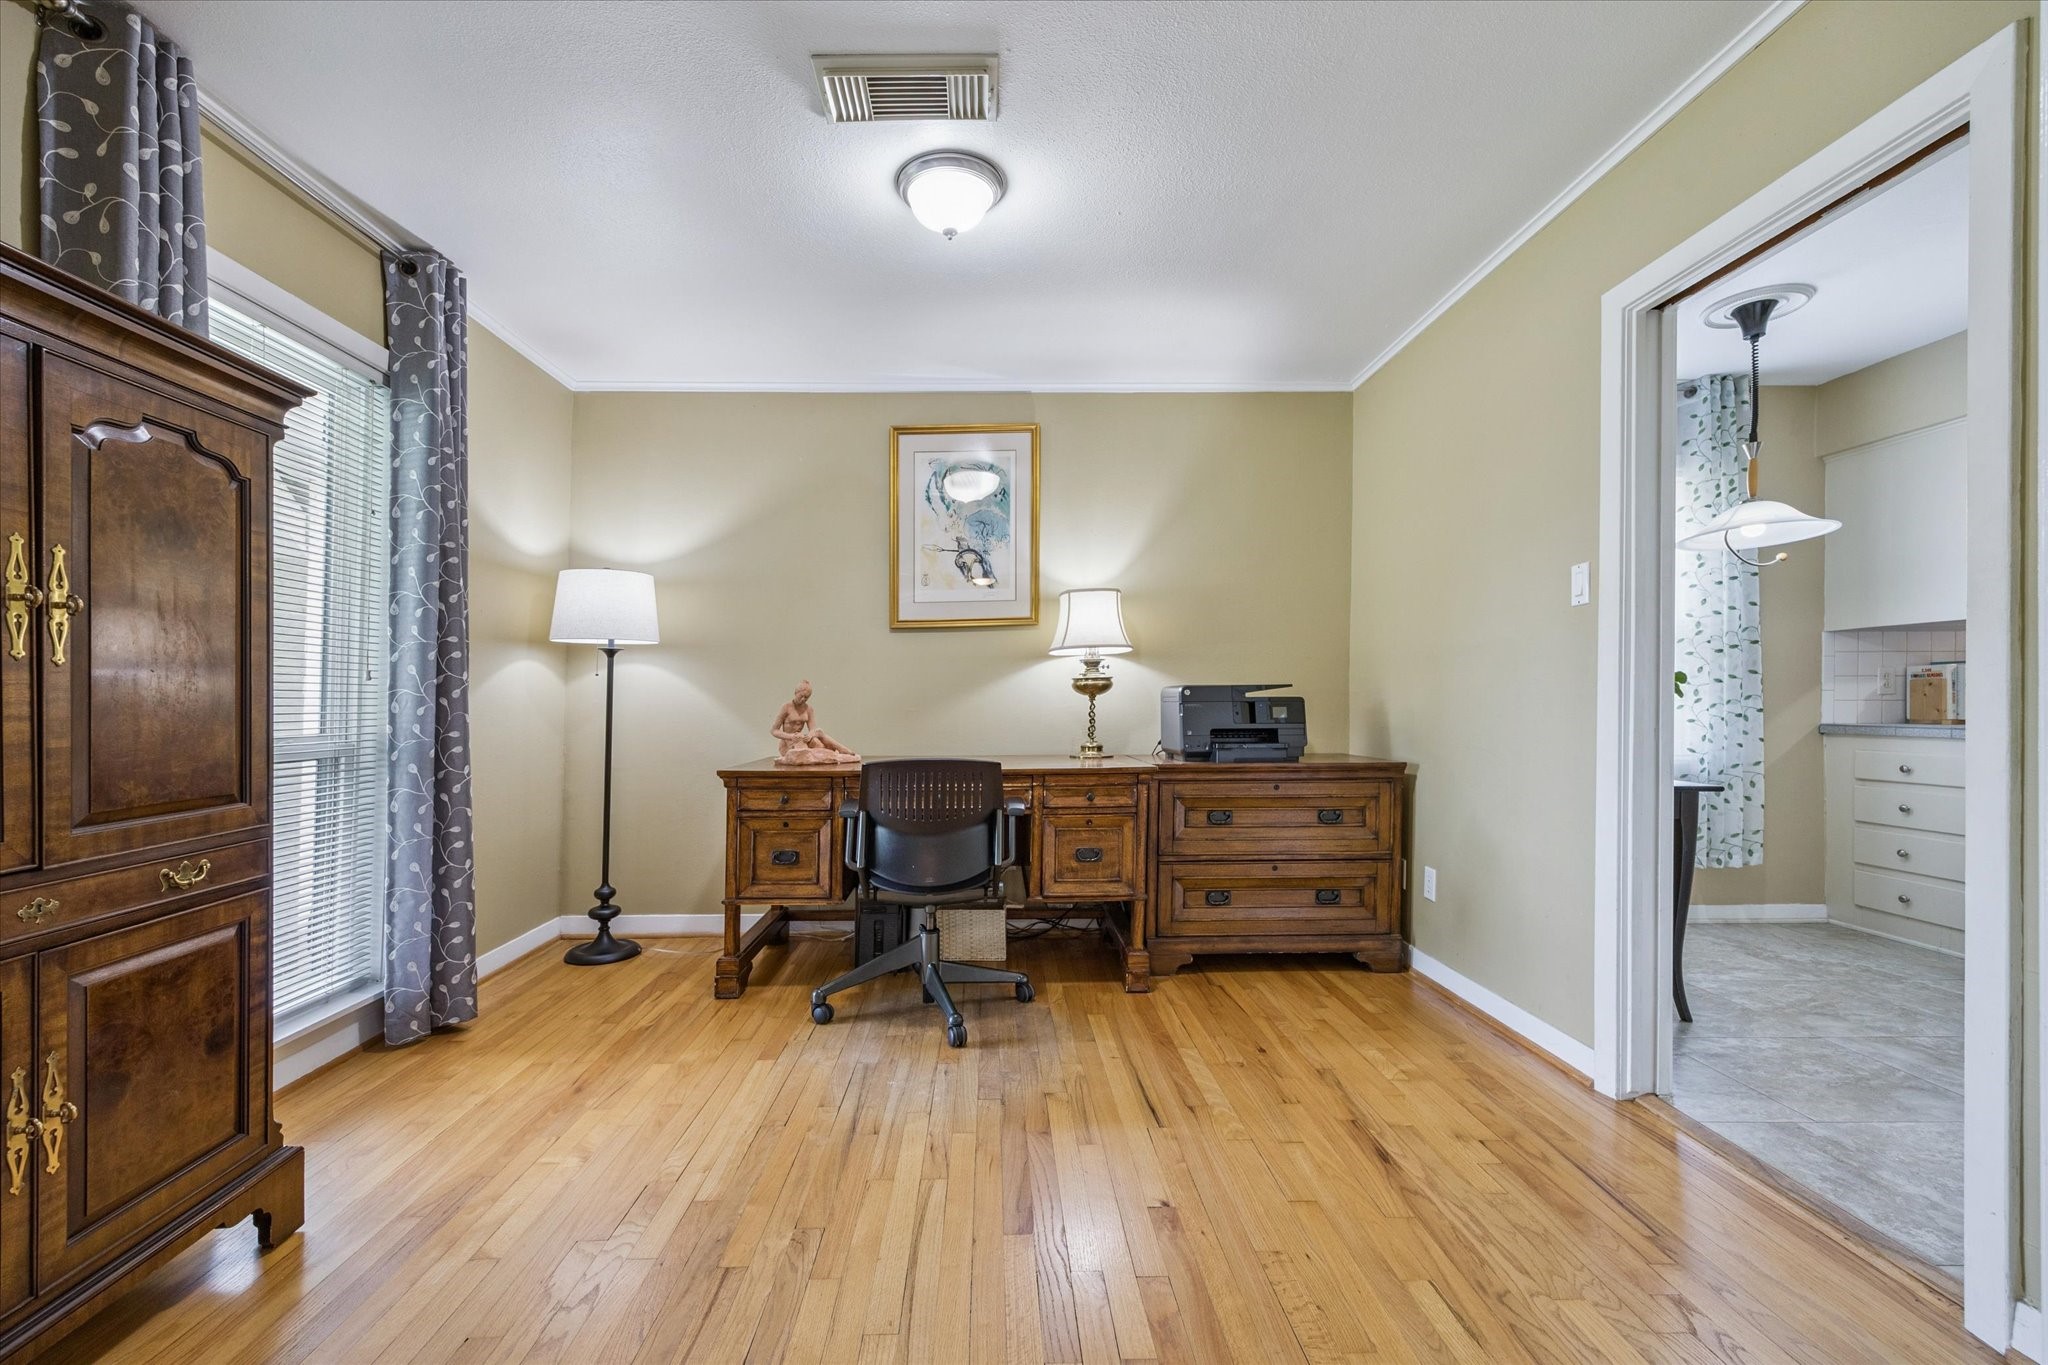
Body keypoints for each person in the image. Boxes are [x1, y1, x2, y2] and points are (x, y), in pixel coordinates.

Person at [772, 680, 859, 766]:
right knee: (806, 754)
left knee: (819, 732)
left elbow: (813, 729)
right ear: (795, 692)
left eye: (806, 697)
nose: (803, 699)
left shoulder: (808, 709)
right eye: (801, 696)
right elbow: (774, 731)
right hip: (788, 743)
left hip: (801, 738)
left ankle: (842, 749)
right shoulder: (786, 707)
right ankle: (831, 754)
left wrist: (809, 735)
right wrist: (791, 736)